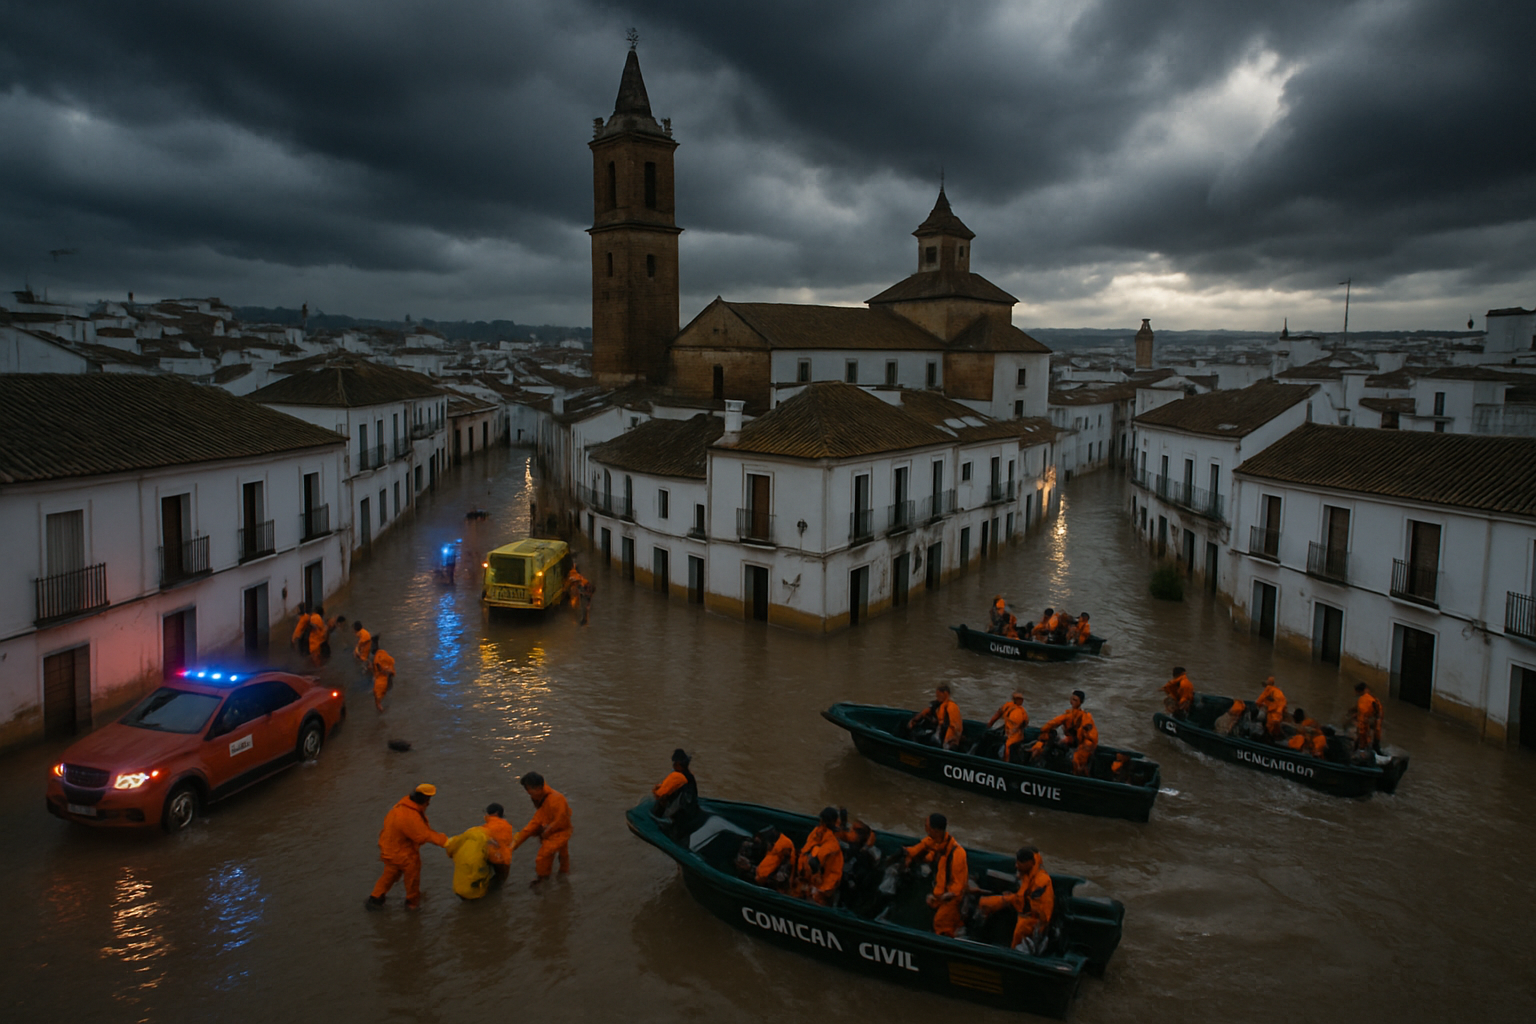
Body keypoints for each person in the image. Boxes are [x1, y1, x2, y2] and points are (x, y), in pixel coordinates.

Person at [366, 784, 448, 911]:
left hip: (389, 850)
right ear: (425, 801)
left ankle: (375, 899)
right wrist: (447, 842)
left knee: (388, 875)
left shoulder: (400, 807)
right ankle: (412, 904)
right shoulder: (410, 816)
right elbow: (422, 835)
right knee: (412, 880)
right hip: (404, 854)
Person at [973, 846, 1055, 954]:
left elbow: (1040, 912)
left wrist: (1038, 930)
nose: (1016, 865)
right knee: (984, 903)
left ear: (1030, 862)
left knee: (1020, 932)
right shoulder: (1028, 872)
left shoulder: (1041, 882)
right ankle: (975, 936)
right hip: (1018, 903)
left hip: (1032, 919)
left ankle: (1012, 953)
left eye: (1019, 863)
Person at [903, 812, 968, 937]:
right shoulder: (933, 842)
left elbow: (958, 887)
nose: (925, 828)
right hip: (937, 895)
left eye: (927, 826)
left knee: (940, 923)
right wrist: (906, 853)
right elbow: (917, 851)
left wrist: (942, 897)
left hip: (951, 900)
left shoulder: (958, 854)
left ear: (935, 830)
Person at [508, 772, 572, 887]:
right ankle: (564, 873)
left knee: (543, 855)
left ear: (537, 788)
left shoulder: (556, 800)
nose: (527, 793)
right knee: (562, 851)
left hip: (559, 830)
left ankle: (543, 878)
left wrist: (545, 833)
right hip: (548, 821)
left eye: (528, 790)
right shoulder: (543, 794)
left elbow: (561, 821)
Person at [794, 807, 845, 906]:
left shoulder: (828, 843)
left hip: (819, 887)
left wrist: (821, 891)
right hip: (811, 882)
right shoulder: (818, 835)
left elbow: (816, 863)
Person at [1042, 691, 1098, 776]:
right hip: (1070, 744)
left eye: (1075, 700)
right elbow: (1054, 722)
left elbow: (1092, 738)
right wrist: (1044, 730)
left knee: (1076, 761)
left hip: (1081, 746)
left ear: (1081, 702)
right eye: (1072, 699)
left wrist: (1076, 742)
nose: (1073, 702)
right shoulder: (1068, 714)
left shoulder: (1086, 718)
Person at [444, 821, 501, 900]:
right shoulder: (484, 848)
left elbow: (449, 847)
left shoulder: (462, 839)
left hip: (458, 888)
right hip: (474, 892)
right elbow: (480, 874)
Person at [741, 824, 796, 891]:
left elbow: (780, 879)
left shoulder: (784, 846)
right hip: (761, 881)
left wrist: (750, 869)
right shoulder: (771, 846)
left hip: (775, 890)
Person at [907, 684, 962, 750]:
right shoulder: (937, 704)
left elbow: (955, 726)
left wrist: (950, 741)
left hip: (944, 738)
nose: (937, 696)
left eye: (938, 695)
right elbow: (925, 712)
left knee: (919, 737)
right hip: (937, 732)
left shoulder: (952, 707)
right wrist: (914, 720)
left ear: (945, 693)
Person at [652, 748, 698, 824]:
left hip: (683, 808)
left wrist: (657, 790)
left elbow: (660, 793)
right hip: (691, 805)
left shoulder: (678, 777)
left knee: (662, 799)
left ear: (678, 764)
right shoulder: (689, 775)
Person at [986, 691, 1030, 763]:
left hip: (1014, 738)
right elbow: (996, 717)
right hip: (1010, 736)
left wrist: (989, 725)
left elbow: (1024, 724)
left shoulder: (1021, 712)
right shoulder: (1009, 707)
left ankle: (1006, 764)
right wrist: (989, 725)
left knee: (1007, 749)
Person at [482, 803, 515, 883]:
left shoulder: (485, 827)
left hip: (492, 858)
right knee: (501, 881)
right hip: (505, 860)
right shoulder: (508, 826)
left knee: (488, 882)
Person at [1352, 682, 1384, 753]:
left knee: (1363, 740)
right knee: (1375, 741)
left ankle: (1361, 751)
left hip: (1366, 723)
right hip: (1375, 721)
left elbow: (1363, 717)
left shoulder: (1363, 700)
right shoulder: (1374, 698)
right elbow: (1379, 711)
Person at [371, 636, 396, 712]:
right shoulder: (383, 653)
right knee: (378, 698)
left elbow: (381, 669)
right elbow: (391, 661)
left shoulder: (377, 659)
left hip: (381, 682)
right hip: (387, 679)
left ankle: (381, 713)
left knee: (378, 700)